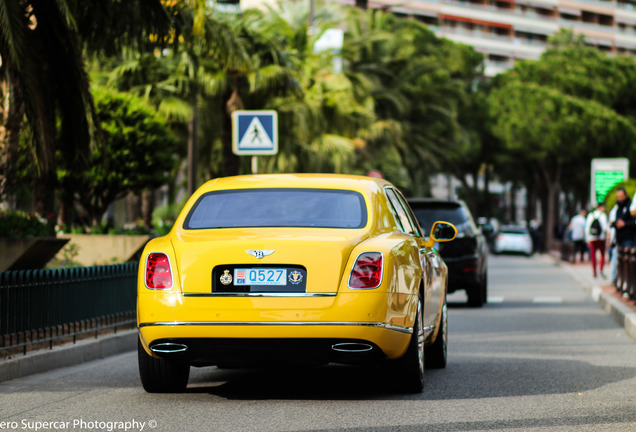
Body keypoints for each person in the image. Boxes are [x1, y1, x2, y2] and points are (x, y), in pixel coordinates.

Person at [610, 187, 636, 285]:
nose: (619, 198)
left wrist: (625, 224)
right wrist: (614, 224)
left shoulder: (631, 206)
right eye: (618, 196)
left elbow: (633, 222)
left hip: (628, 238)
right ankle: (618, 282)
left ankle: (628, 285)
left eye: (621, 196)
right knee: (618, 262)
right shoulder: (618, 208)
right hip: (619, 238)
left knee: (628, 263)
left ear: (625, 195)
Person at [585, 203, 608, 278]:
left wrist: (587, 239)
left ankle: (594, 271)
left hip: (592, 238)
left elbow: (587, 228)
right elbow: (605, 228)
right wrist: (607, 238)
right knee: (602, 255)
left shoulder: (590, 215)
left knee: (593, 256)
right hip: (601, 238)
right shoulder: (603, 215)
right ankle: (601, 269)